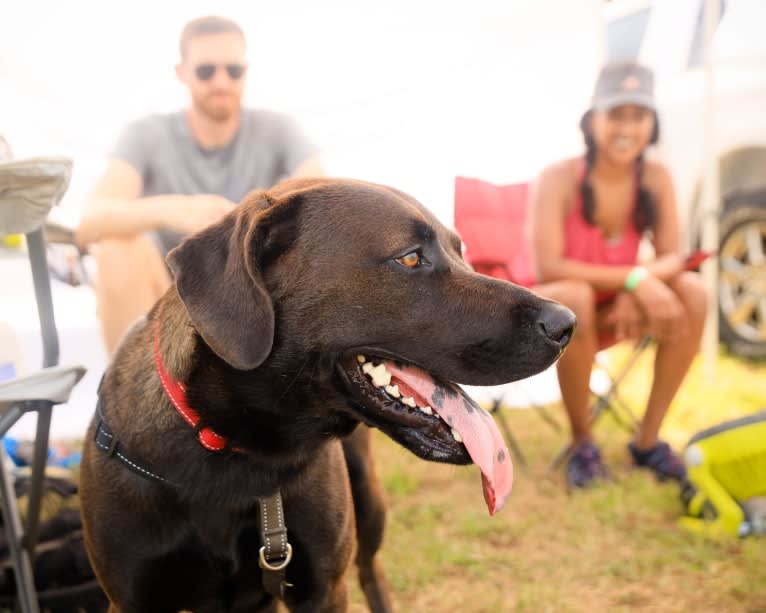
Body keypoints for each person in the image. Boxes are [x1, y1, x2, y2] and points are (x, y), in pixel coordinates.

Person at [76, 15, 322, 355]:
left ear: (246, 72)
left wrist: (244, 219)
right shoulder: (147, 134)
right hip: (164, 304)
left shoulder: (278, 130)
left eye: (233, 70)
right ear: (182, 72)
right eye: (206, 71)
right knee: (117, 248)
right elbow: (89, 221)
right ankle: (133, 395)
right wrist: (174, 209)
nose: (221, 81)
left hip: (250, 299)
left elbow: (322, 196)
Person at [523, 61, 707, 488]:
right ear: (592, 122)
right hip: (566, 315)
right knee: (575, 295)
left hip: (620, 309)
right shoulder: (558, 177)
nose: (627, 127)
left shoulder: (656, 177)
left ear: (652, 123)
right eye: (616, 115)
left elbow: (673, 258)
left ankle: (647, 440)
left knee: (694, 291)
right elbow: (548, 267)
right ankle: (582, 441)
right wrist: (636, 279)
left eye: (638, 116)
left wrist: (636, 285)